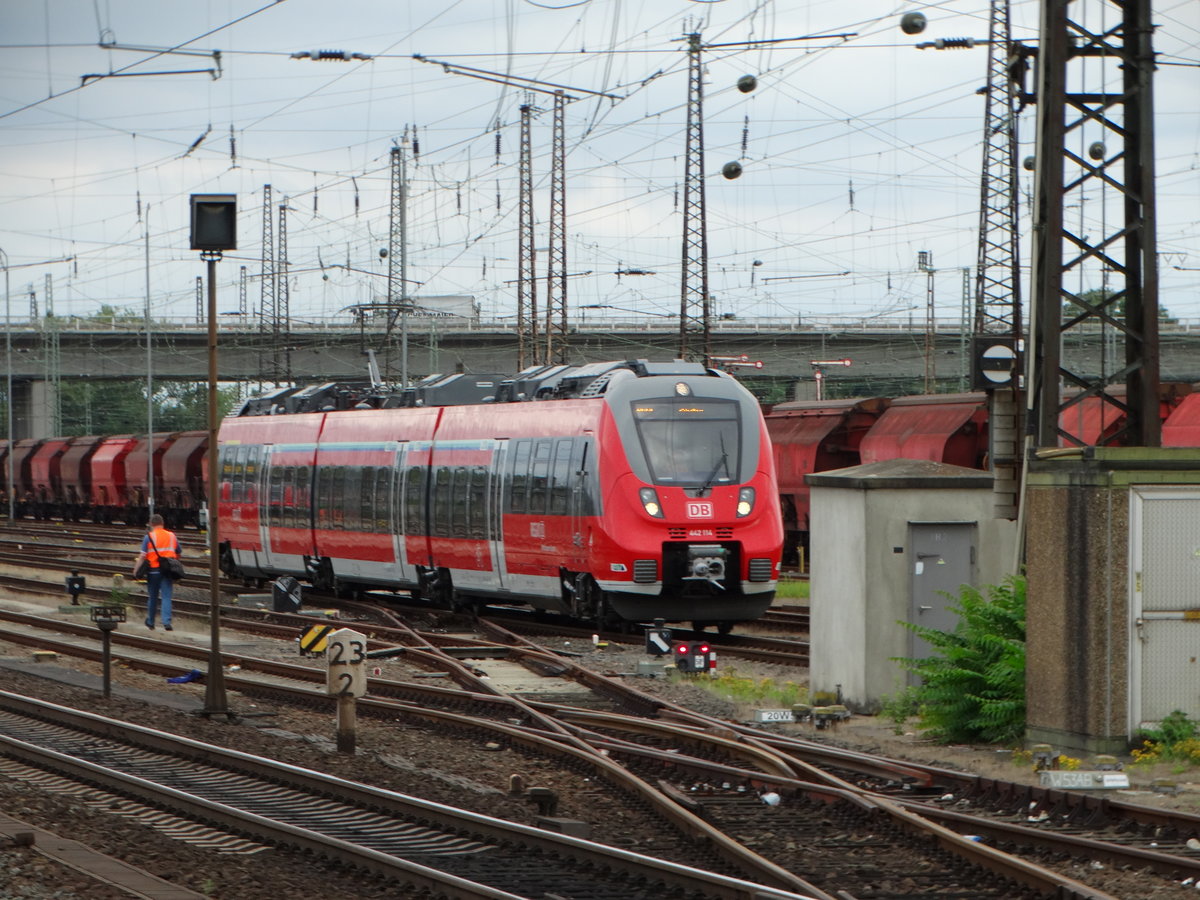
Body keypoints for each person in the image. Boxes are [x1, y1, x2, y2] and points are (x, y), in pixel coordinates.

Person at [134, 514, 181, 631]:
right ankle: (166, 622)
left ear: (151, 524)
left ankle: (151, 622)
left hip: (153, 571)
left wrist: (136, 570)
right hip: (167, 571)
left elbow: (142, 556)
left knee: (153, 597)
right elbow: (179, 552)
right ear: (163, 523)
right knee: (166, 596)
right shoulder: (171, 536)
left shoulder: (148, 537)